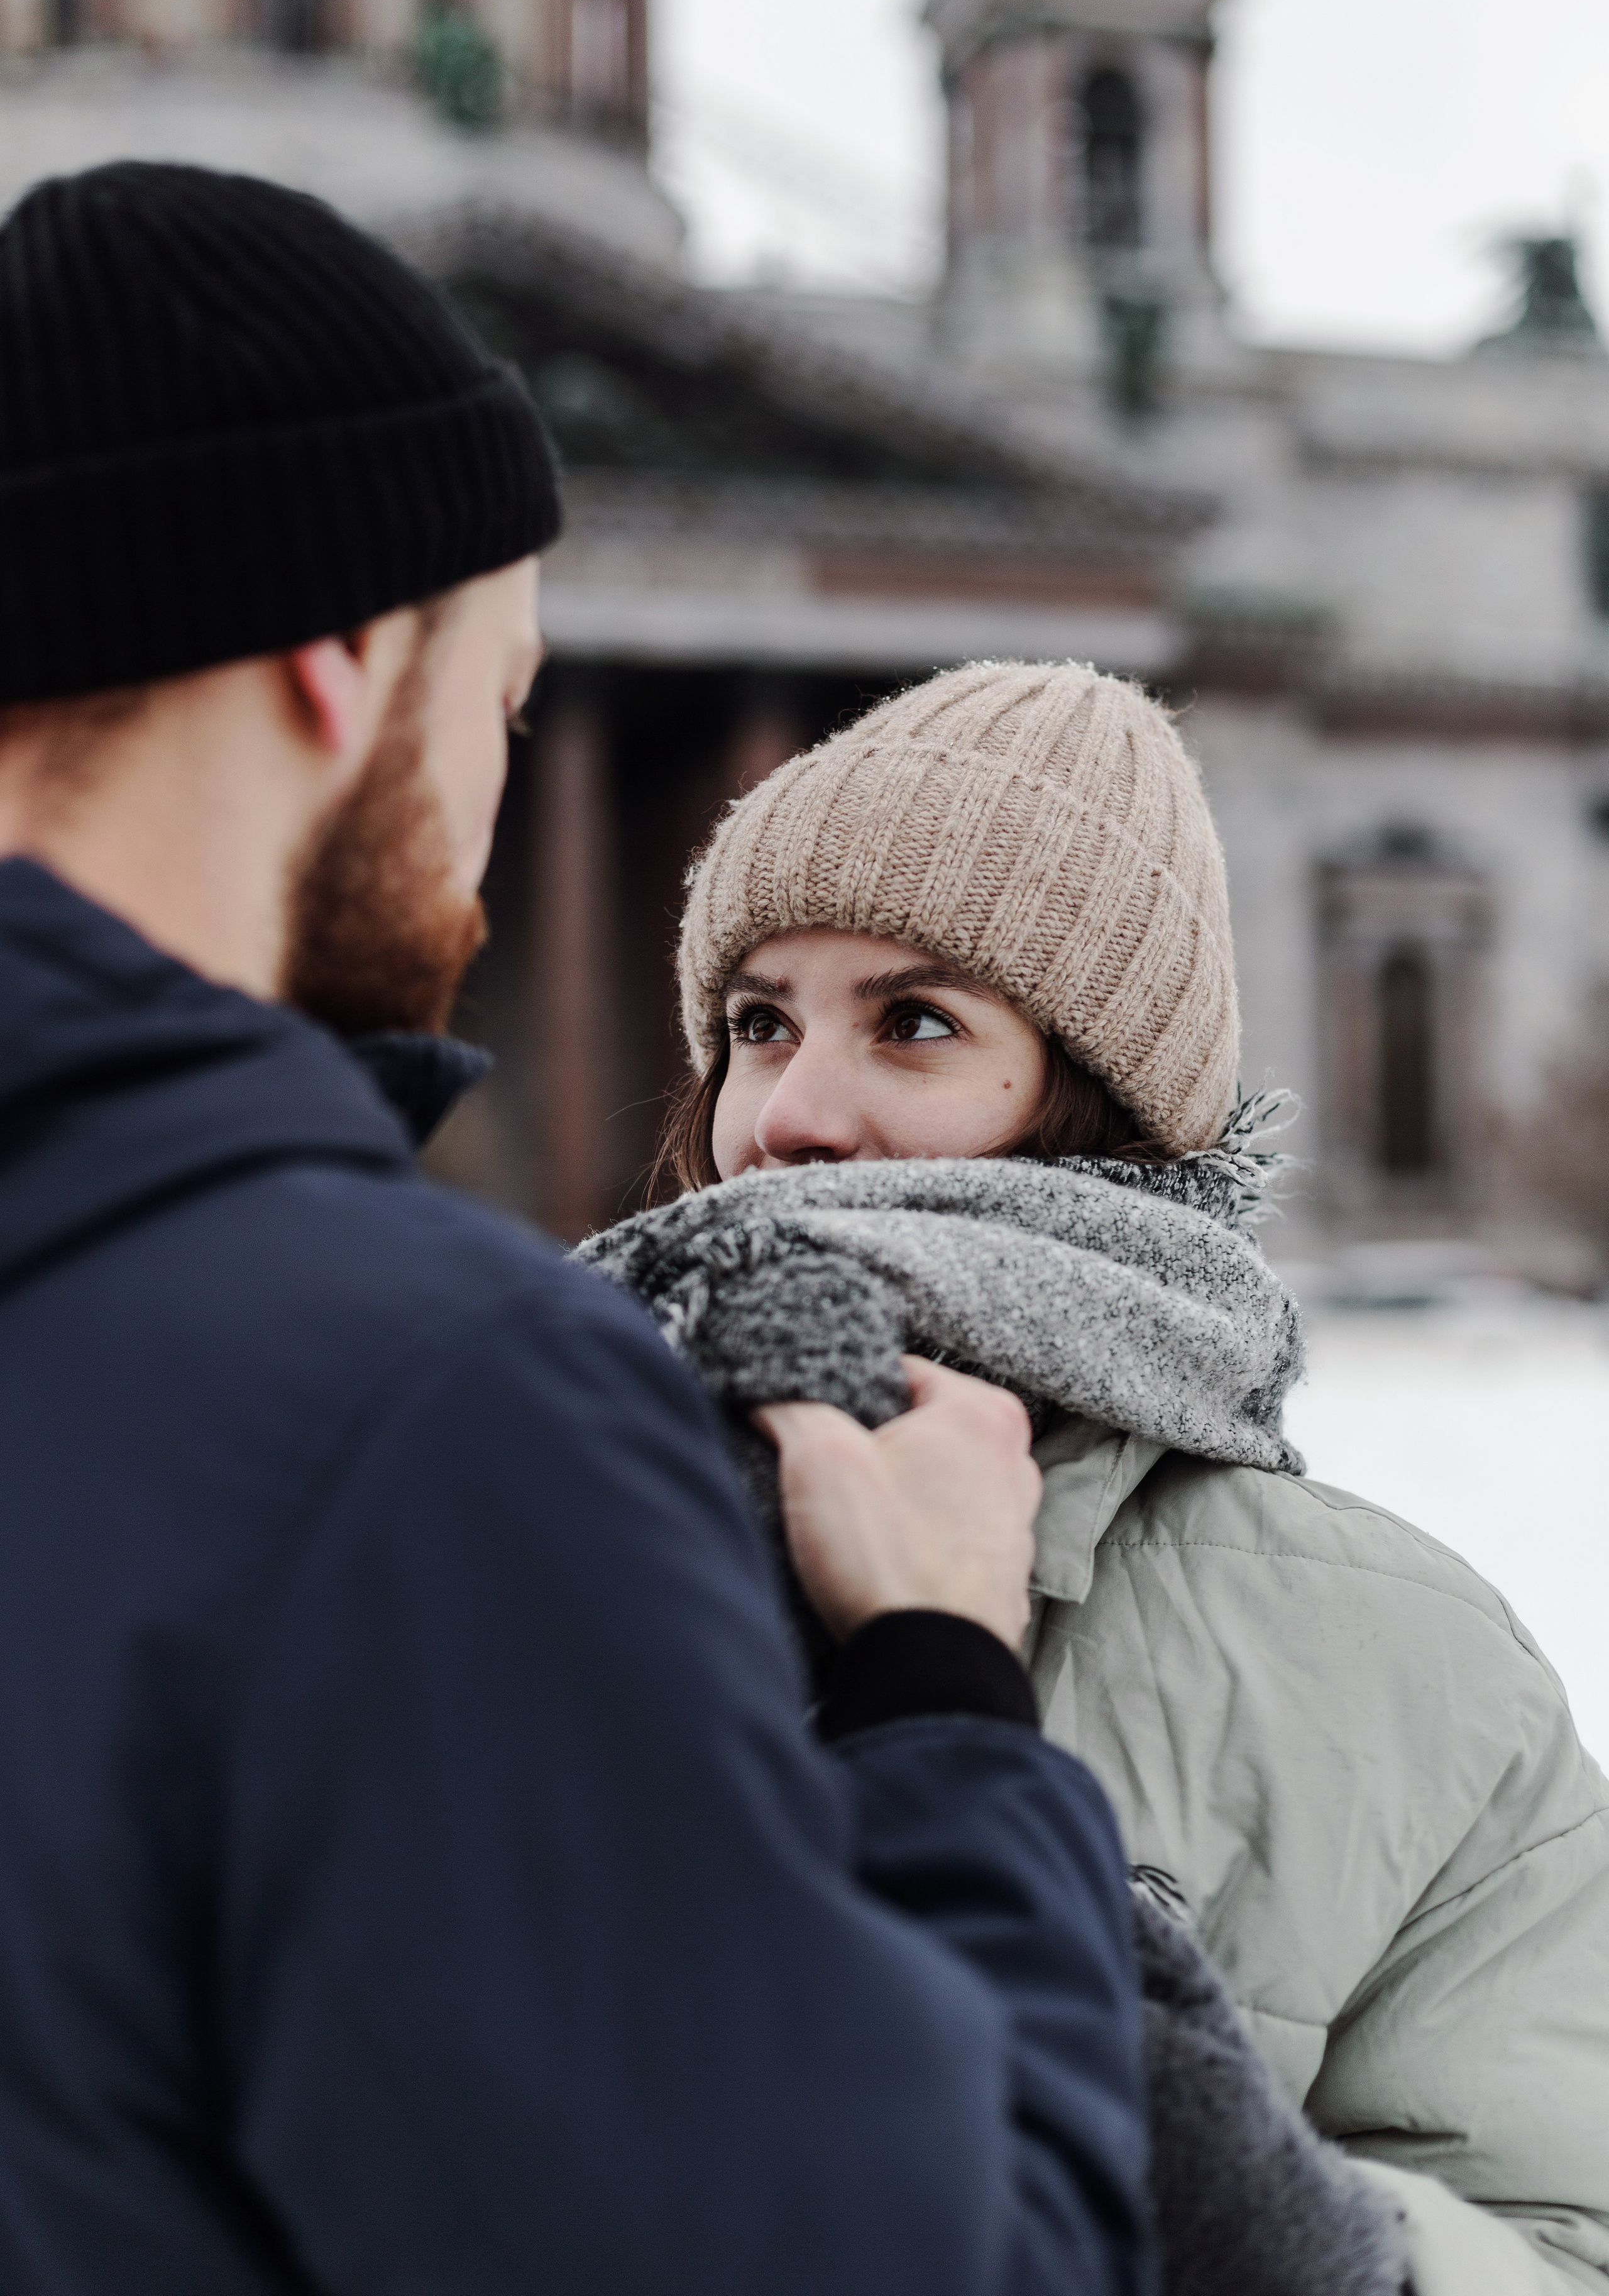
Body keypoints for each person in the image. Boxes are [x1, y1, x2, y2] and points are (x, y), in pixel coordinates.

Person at [0, 163, 1156, 2293]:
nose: (498, 834)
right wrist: (941, 1697)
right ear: (341, 662)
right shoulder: (418, 1417)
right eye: (506, 705)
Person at [584, 659, 1609, 2296]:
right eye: (758, 1023)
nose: (790, 1115)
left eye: (914, 1022)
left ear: (1110, 1109)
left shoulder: (1409, 1670)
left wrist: (1273, 2227)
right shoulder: (492, 1501)